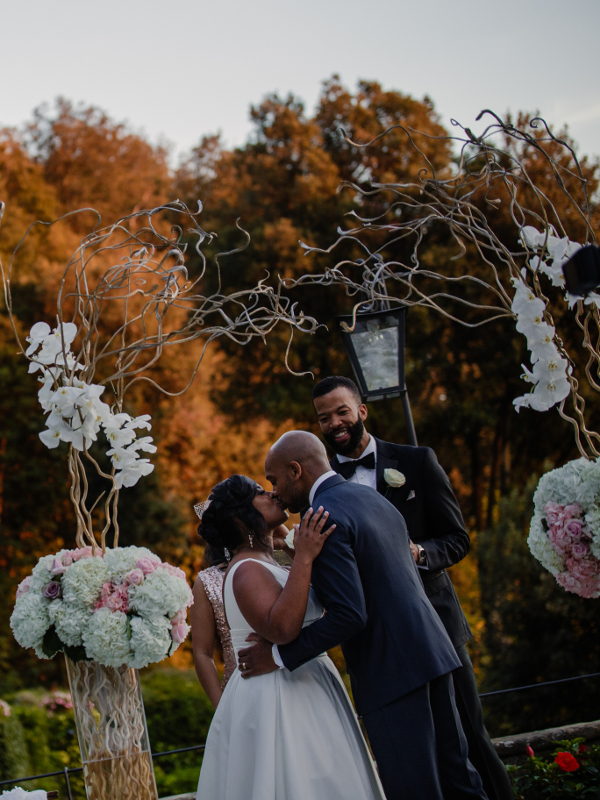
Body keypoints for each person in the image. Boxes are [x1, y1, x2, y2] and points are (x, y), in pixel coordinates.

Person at [239, 431, 488, 800]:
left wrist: (277, 656)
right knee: (460, 779)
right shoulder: (371, 498)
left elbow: (350, 615)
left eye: (274, 480)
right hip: (435, 654)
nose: (274, 490)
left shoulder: (320, 519)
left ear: (295, 471)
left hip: (391, 672)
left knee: (414, 787)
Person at [311, 375, 514, 800]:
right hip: (381, 642)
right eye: (324, 418)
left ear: (362, 411)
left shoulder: (418, 462)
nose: (334, 424)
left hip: (434, 622)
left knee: (469, 733)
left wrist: (418, 553)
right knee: (420, 752)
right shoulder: (325, 486)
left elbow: (457, 538)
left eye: (342, 412)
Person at [195, 474, 386, 800]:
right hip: (278, 696)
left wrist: (286, 540)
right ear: (241, 517)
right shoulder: (245, 569)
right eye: (259, 493)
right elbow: (283, 629)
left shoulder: (270, 560)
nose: (272, 493)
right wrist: (306, 556)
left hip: (308, 684)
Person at [190, 543, 235, 709]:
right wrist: (221, 709)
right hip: (238, 691)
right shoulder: (208, 581)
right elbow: (203, 653)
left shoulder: (283, 565)